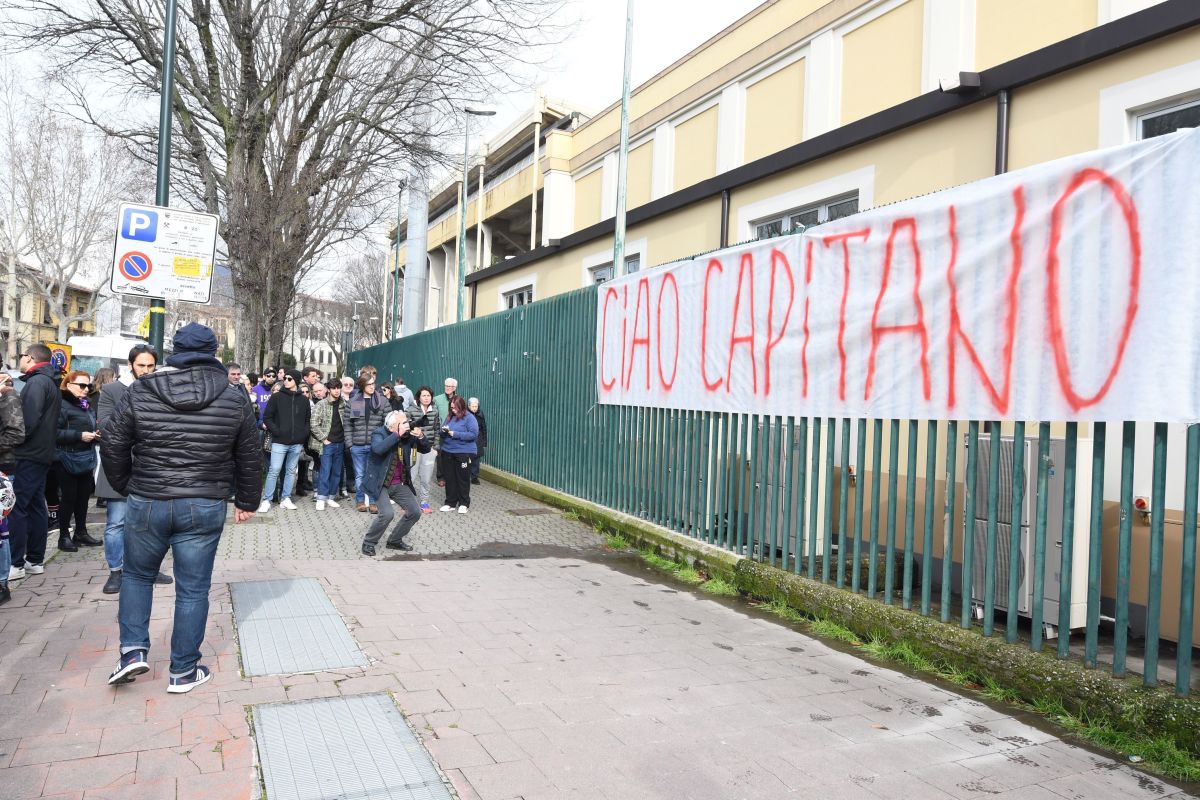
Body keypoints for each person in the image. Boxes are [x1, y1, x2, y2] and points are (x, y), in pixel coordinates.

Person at [102, 322, 260, 693]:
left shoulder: (142, 389)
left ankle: (132, 651)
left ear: (174, 349)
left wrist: (128, 485)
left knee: (138, 576)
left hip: (148, 499)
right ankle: (183, 671)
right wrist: (248, 501)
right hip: (204, 503)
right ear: (213, 351)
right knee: (193, 588)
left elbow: (112, 443)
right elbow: (250, 455)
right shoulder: (234, 396)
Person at [96, 344, 172, 595]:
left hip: (153, 467)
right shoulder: (112, 390)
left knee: (151, 524)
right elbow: (106, 425)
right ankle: (116, 571)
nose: (147, 370)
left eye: (151, 366)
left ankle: (147, 569)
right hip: (120, 465)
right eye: (141, 365)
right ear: (131, 365)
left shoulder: (161, 390)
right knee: (117, 523)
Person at [8, 344, 61, 581]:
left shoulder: (37, 383)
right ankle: (34, 560)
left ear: (29, 358)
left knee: (18, 507)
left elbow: (27, 422)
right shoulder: (47, 381)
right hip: (41, 453)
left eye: (22, 356)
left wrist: (13, 442)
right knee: (36, 505)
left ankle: (16, 563)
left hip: (29, 453)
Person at [360, 411, 431, 556]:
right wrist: (397, 435)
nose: (407, 425)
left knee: (415, 512)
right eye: (403, 423)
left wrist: (421, 436)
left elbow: (426, 449)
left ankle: (394, 540)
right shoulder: (379, 433)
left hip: (399, 483)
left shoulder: (407, 436)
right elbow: (378, 449)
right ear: (392, 426)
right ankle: (369, 543)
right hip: (380, 483)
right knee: (387, 514)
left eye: (407, 422)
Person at [54, 370, 102, 552]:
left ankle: (80, 532)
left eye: (88, 386)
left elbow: (88, 425)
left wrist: (95, 434)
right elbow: (54, 433)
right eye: (81, 385)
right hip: (66, 457)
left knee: (83, 498)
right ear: (68, 385)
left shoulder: (85, 404)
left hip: (85, 456)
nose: (86, 389)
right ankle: (64, 536)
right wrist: (79, 435)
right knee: (68, 498)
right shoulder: (61, 404)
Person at [257, 369, 310, 513]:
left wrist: (302, 435)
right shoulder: (276, 397)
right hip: (279, 442)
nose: (285, 380)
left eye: (289, 378)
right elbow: (267, 417)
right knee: (274, 470)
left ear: (296, 381)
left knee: (291, 471)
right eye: (285, 378)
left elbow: (307, 421)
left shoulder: (304, 400)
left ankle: (286, 498)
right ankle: (267, 500)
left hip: (296, 443)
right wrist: (277, 432)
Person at [345, 373, 388, 513]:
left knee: (374, 474)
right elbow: (348, 425)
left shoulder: (382, 401)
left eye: (373, 384)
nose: (372, 386)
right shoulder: (354, 401)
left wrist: (383, 443)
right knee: (359, 475)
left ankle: (374, 501)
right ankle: (360, 500)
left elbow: (388, 424)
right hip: (357, 445)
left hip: (375, 445)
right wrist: (350, 444)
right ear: (362, 385)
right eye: (368, 384)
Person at [0, 373, 25, 599]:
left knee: (1, 529)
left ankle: (2, 584)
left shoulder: (8, 396)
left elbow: (16, 433)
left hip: (4, 467)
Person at [439, 395, 479, 514]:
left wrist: (455, 434)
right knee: (450, 478)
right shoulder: (449, 417)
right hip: (448, 451)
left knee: (462, 478)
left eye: (455, 408)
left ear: (461, 406)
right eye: (451, 408)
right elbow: (442, 430)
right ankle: (450, 502)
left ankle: (463, 503)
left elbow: (473, 434)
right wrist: (443, 431)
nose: (453, 410)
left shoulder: (469, 417)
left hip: (464, 452)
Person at [408, 386, 440, 513]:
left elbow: (437, 430)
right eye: (424, 396)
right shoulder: (410, 409)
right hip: (414, 448)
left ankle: (424, 502)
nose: (426, 398)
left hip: (429, 449)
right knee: (411, 476)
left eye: (428, 396)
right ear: (419, 397)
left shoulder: (435, 411)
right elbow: (405, 426)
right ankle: (408, 503)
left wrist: (436, 448)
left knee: (426, 478)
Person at [316, 380, 345, 510]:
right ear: (329, 389)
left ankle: (331, 496)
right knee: (325, 471)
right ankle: (321, 497)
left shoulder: (344, 404)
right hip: (328, 443)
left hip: (341, 442)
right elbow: (313, 423)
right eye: (334, 388)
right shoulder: (322, 404)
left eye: (338, 388)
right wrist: (323, 438)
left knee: (337, 472)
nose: (336, 390)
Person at [433, 378, 458, 487]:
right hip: (441, 432)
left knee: (452, 455)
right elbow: (434, 415)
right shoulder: (437, 399)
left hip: (454, 432)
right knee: (440, 455)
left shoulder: (458, 400)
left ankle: (451, 476)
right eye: (446, 386)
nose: (448, 388)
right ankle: (441, 477)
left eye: (450, 386)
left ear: (454, 388)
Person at [467, 397, 488, 485]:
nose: (475, 408)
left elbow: (484, 428)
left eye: (476, 406)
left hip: (478, 439)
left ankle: (474, 477)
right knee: (467, 458)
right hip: (468, 439)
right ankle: (465, 476)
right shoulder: (466, 414)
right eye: (473, 406)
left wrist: (484, 441)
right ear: (468, 406)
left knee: (476, 459)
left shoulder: (480, 413)